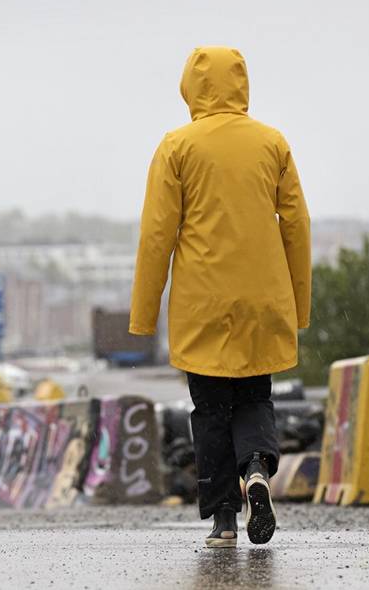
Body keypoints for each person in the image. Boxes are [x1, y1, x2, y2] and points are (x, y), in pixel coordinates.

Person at [129, 46, 311, 548]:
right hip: (262, 300)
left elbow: (156, 235)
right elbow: (295, 224)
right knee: (255, 396)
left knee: (209, 410)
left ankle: (223, 520)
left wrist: (143, 316)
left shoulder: (177, 146)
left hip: (202, 301)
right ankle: (255, 469)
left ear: (190, 86)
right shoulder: (272, 143)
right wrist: (300, 303)